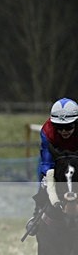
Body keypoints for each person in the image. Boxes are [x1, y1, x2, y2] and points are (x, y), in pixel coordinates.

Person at [26, 97, 78, 234]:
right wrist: (47, 177)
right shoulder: (47, 131)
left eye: (68, 127)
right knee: (44, 180)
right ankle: (36, 214)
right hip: (56, 159)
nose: (64, 131)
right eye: (59, 127)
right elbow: (47, 160)